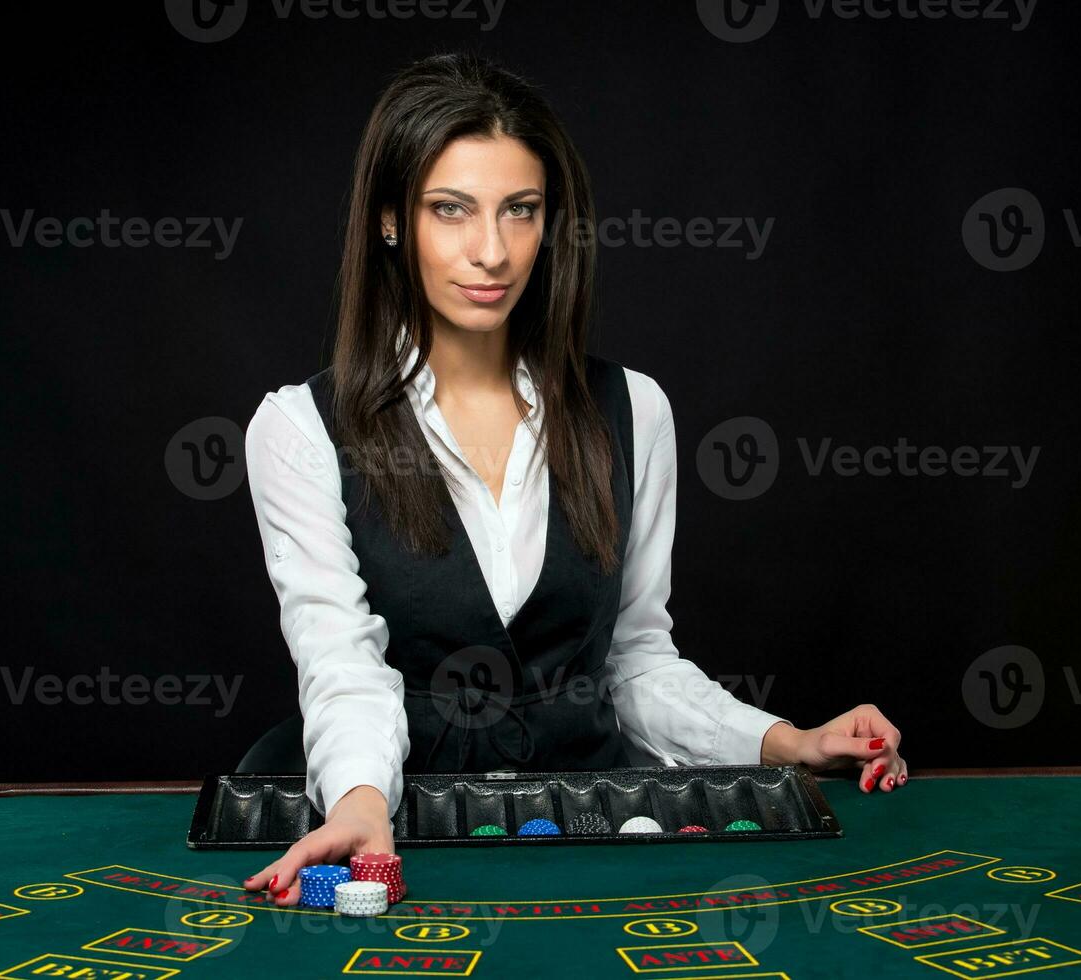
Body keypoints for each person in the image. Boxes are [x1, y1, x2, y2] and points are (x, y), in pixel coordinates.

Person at [239, 51, 906, 906]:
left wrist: (791, 742)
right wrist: (365, 807)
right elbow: (341, 664)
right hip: (399, 823)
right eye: (451, 211)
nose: (492, 252)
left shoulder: (635, 409)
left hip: (586, 820)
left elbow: (633, 665)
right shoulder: (298, 428)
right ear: (390, 221)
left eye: (520, 211)